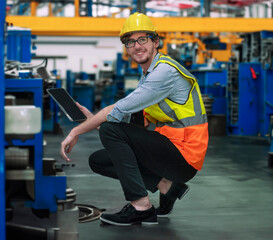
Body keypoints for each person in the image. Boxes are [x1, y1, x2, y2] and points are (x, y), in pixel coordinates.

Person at [60, 12, 208, 226]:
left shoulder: (163, 72)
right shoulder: (147, 75)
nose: (136, 46)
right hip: (170, 150)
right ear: (127, 48)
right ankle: (168, 187)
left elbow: (116, 113)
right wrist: (92, 120)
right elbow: (124, 126)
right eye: (130, 42)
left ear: (156, 42)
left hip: (185, 156)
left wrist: (75, 132)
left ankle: (141, 207)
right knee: (98, 160)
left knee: (110, 129)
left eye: (142, 39)